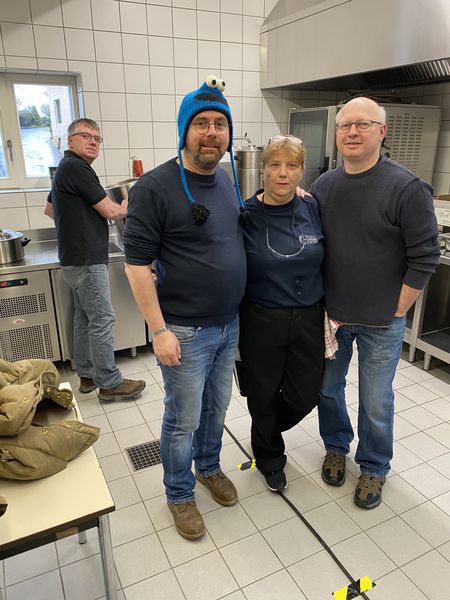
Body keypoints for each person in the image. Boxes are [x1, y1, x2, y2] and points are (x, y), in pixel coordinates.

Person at [123, 76, 251, 540]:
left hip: (228, 324)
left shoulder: (226, 180)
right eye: (202, 123)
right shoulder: (155, 186)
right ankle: (179, 493)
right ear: (184, 130)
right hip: (183, 330)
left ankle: (208, 467)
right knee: (183, 419)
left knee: (216, 409)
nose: (212, 132)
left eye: (220, 123)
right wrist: (159, 331)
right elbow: (136, 266)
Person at [310, 97, 440, 509]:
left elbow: (426, 257)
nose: (352, 132)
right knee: (327, 389)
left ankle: (373, 466)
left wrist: (398, 308)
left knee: (375, 399)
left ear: (381, 132)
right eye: (345, 125)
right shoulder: (324, 186)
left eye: (362, 124)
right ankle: (336, 446)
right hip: (332, 317)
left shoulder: (406, 187)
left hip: (382, 320)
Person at [238, 135, 325, 492]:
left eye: (291, 166)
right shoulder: (245, 214)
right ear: (263, 170)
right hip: (261, 318)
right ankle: (269, 456)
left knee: (307, 393)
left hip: (308, 316)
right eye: (275, 165)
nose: (283, 173)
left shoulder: (312, 207)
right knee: (262, 391)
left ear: (302, 171)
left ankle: (268, 428)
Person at [44, 118, 146, 401]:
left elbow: (49, 210)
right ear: (70, 140)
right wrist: (128, 208)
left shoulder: (64, 169)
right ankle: (109, 382)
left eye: (97, 138)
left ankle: (87, 375)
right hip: (88, 259)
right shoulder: (78, 168)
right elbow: (110, 211)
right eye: (85, 136)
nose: (92, 142)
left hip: (72, 259)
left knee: (83, 319)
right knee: (102, 319)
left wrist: (78, 222)